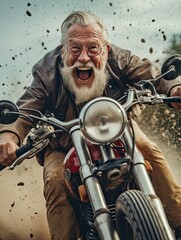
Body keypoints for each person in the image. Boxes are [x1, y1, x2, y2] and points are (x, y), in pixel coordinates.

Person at [0, 11, 181, 240]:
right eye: (75, 48)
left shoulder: (119, 59)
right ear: (63, 50)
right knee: (55, 180)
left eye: (93, 48)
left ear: (105, 49)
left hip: (118, 131)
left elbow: (156, 76)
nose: (84, 57)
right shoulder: (47, 73)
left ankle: (178, 222)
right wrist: (8, 135)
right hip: (63, 143)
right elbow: (24, 111)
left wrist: (174, 88)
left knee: (150, 152)